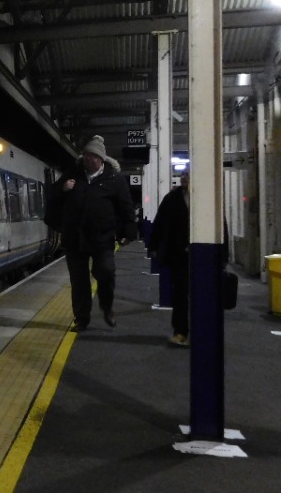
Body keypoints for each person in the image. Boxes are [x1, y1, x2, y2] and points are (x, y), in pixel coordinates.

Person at [47, 135, 137, 331]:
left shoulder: (114, 180)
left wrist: (129, 231)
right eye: (86, 155)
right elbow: (52, 195)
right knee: (78, 281)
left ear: (101, 160)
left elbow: (126, 207)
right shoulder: (73, 174)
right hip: (74, 238)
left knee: (105, 272)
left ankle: (107, 308)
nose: (88, 159)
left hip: (102, 238)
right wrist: (63, 188)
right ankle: (82, 318)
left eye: (92, 156)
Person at [147, 171, 229, 347]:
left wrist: (223, 255)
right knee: (180, 295)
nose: (185, 178)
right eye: (184, 175)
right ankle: (181, 332)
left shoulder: (208, 198)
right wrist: (153, 246)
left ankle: (203, 332)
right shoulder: (172, 198)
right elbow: (160, 222)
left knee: (204, 295)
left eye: (189, 175)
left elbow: (220, 225)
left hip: (204, 257)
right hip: (178, 256)